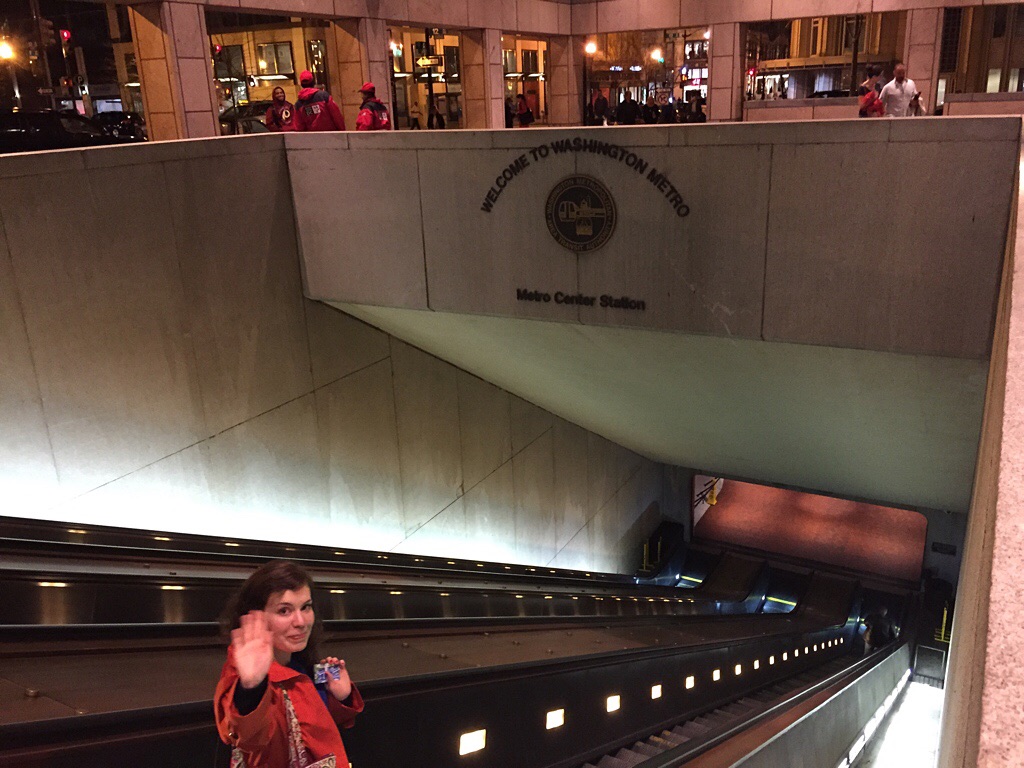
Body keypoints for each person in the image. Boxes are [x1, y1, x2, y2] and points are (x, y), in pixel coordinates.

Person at [214, 561, 364, 768]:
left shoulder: (300, 662)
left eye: (306, 607)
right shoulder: (246, 673)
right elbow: (246, 737)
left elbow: (314, 727)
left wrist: (341, 698)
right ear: (256, 617)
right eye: (284, 611)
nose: (301, 622)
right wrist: (251, 689)